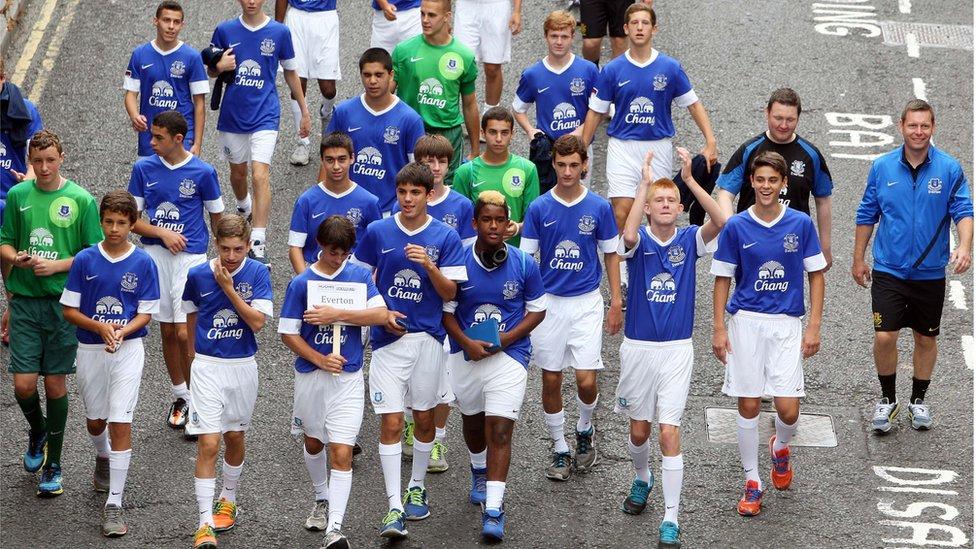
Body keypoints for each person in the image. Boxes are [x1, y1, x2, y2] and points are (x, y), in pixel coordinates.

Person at [616, 149, 726, 548]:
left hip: (677, 350)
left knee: (668, 432)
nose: (664, 205)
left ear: (680, 208)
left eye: (670, 201)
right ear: (647, 209)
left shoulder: (689, 239)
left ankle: (671, 518)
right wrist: (644, 183)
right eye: (656, 202)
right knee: (639, 431)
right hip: (637, 348)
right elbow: (626, 237)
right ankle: (642, 477)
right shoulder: (638, 239)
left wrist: (691, 181)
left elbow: (721, 220)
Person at [351, 162, 467, 538]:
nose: (407, 199)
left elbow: (452, 294)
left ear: (429, 195)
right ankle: (393, 506)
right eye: (402, 192)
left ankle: (417, 485)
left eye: (415, 193)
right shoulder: (378, 231)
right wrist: (379, 314)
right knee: (390, 421)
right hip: (388, 342)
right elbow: (357, 279)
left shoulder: (446, 237)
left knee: (424, 418)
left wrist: (430, 266)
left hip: (429, 340)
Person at [711, 151, 826, 517]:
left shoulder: (800, 224)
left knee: (787, 409)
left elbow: (816, 275)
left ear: (783, 184)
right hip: (745, 322)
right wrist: (718, 328)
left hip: (786, 324)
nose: (765, 186)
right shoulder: (736, 227)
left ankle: (780, 447)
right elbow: (722, 279)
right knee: (746, 404)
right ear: (751, 182)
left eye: (772, 181)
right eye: (759, 180)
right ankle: (752, 480)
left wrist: (814, 326)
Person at [852, 99, 973, 433]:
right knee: (885, 335)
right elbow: (867, 215)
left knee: (925, 338)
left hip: (929, 274)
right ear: (901, 125)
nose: (918, 132)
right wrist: (858, 258)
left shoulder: (949, 169)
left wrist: (964, 246)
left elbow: (964, 211)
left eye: (925, 126)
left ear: (933, 128)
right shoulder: (882, 167)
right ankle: (888, 400)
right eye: (912, 125)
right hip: (889, 270)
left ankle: (918, 401)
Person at [0, 130, 104, 497]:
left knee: (56, 383)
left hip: (62, 306)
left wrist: (56, 266)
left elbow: (94, 254)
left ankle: (54, 463)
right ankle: (37, 429)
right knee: (24, 385)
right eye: (37, 161)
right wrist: (16, 264)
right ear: (30, 160)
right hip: (26, 302)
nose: (43, 168)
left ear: (62, 158)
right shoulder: (17, 196)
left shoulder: (81, 200)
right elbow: (4, 242)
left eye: (50, 160)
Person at [442, 190, 547, 541]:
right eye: (486, 219)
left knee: (500, 430)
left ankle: (494, 508)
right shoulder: (457, 260)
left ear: (508, 225)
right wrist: (467, 342)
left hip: (510, 356)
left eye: (499, 220)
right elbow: (447, 314)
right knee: (473, 424)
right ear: (475, 223)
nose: (493, 226)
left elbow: (537, 310)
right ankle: (478, 470)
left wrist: (508, 339)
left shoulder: (523, 263)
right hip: (466, 355)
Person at [279, 215, 389, 548]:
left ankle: (335, 528)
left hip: (349, 377)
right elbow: (287, 332)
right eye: (331, 252)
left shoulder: (358, 276)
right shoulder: (302, 284)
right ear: (320, 246)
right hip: (312, 375)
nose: (338, 259)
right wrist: (319, 358)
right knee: (314, 443)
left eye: (343, 253)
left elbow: (381, 314)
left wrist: (336, 315)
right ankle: (321, 498)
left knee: (341, 451)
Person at [519, 135, 621, 480]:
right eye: (561, 165)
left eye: (574, 166)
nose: (567, 172)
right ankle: (561, 447)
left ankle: (585, 427)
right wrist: (524, 302)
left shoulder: (599, 207)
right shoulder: (538, 208)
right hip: (549, 305)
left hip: (586, 303)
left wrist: (616, 300)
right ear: (553, 164)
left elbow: (610, 252)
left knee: (585, 380)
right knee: (550, 378)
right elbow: (527, 259)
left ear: (585, 165)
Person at [60, 190, 161, 537]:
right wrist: (100, 327)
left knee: (120, 419)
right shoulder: (86, 260)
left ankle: (114, 503)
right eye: (109, 222)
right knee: (95, 421)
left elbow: (146, 313)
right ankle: (102, 456)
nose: (114, 228)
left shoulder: (144, 262)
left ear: (133, 225)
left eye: (121, 222)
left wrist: (123, 331)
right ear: (101, 221)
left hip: (128, 349)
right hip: (90, 349)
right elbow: (69, 310)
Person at [581, 3, 717, 232]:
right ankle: (621, 268)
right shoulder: (612, 69)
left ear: (654, 29)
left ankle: (651, 266)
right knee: (621, 212)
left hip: (658, 148)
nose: (640, 28)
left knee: (658, 215)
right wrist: (582, 150)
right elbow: (595, 112)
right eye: (634, 23)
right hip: (622, 148)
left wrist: (711, 141)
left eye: (645, 23)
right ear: (625, 28)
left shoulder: (670, 67)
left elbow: (693, 104)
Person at [128, 110, 224, 432]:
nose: (151, 142)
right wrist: (161, 233)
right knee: (167, 331)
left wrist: (226, 257)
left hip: (191, 259)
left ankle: (200, 398)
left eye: (158, 137)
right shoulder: (143, 168)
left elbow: (218, 218)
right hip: (155, 256)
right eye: (151, 136)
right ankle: (180, 395)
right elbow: (131, 219)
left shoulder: (204, 172)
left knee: (186, 332)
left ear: (178, 139)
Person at [182, 214, 272, 548]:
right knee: (208, 443)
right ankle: (204, 523)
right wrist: (194, 355)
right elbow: (190, 311)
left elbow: (258, 322)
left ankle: (228, 496)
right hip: (207, 367)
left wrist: (229, 289)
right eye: (225, 249)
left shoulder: (259, 273)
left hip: (242, 366)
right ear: (215, 245)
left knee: (234, 435)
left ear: (248, 245)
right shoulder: (197, 274)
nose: (231, 256)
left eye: (238, 249)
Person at [208, 0, 312, 268]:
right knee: (238, 174)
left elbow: (290, 71)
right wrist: (219, 67)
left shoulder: (279, 32)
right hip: (232, 116)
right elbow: (210, 67)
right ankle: (244, 207)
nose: (252, 1)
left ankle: (258, 242)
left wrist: (303, 110)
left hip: (266, 114)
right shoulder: (225, 29)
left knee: (259, 174)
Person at [394, 134, 476, 471]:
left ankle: (437, 438)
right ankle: (415, 422)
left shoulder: (460, 205)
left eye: (442, 161)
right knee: (412, 369)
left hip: (449, 302)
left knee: (444, 375)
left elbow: (470, 255)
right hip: (413, 302)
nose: (436, 167)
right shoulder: (405, 203)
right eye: (429, 161)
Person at [716, 88, 834, 270]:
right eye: (778, 118)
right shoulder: (750, 150)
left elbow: (823, 200)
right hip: (752, 240)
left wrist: (825, 248)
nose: (784, 125)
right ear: (767, 113)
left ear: (798, 118)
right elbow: (725, 193)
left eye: (790, 120)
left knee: (789, 292)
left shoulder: (810, 155)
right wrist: (734, 229)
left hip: (791, 242)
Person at [325, 48, 425, 215]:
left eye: (378, 75)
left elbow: (418, 172)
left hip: (389, 213)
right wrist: (325, 200)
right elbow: (327, 159)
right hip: (346, 209)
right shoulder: (344, 112)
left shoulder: (410, 119)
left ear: (391, 75)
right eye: (367, 75)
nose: (372, 81)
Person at [392, 0, 480, 184]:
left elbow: (469, 103)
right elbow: (386, 97)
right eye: (422, 14)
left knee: (445, 189)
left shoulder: (464, 56)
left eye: (431, 15)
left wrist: (475, 150)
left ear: (447, 17)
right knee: (409, 184)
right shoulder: (403, 51)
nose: (425, 20)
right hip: (412, 132)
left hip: (447, 134)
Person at [512, 10, 599, 191]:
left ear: (572, 37)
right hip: (549, 152)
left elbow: (599, 109)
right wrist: (530, 130)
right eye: (554, 36)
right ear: (545, 36)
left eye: (564, 36)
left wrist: (581, 133)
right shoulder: (533, 74)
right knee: (548, 200)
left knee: (580, 200)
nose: (559, 42)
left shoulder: (589, 70)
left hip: (580, 147)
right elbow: (518, 108)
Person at [123, 1, 209, 159]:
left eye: (176, 22)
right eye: (166, 20)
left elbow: (200, 104)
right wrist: (134, 115)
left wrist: (197, 143)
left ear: (182, 25)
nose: (171, 26)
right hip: (151, 137)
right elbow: (130, 94)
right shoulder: (140, 54)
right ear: (155, 21)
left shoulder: (192, 57)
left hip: (182, 136)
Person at [287, 132, 382, 274]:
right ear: (322, 160)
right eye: (330, 160)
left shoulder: (370, 202)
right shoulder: (306, 201)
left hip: (353, 280)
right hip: (315, 275)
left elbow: (378, 249)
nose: (336, 166)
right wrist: (307, 282)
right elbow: (295, 248)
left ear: (352, 158)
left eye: (342, 159)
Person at [452, 107, 540, 247]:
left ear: (513, 134)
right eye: (493, 132)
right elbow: (457, 219)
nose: (498, 139)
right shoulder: (465, 172)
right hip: (475, 253)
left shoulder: (527, 169)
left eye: (504, 133)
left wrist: (517, 228)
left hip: (514, 254)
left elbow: (535, 218)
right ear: (483, 133)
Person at [274, 0, 341, 166]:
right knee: (297, 82)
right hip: (297, 19)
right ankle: (302, 141)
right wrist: (276, 29)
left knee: (328, 89)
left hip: (325, 20)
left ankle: (326, 112)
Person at [453, 0, 522, 114]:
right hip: (466, 7)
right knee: (459, 65)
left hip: (496, 6)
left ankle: (490, 116)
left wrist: (517, 10)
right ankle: (452, 117)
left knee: (492, 68)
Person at [1, 58, 43, 207]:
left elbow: (39, 154)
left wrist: (27, 181)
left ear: (3, 78)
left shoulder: (26, 110)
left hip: (14, 199)